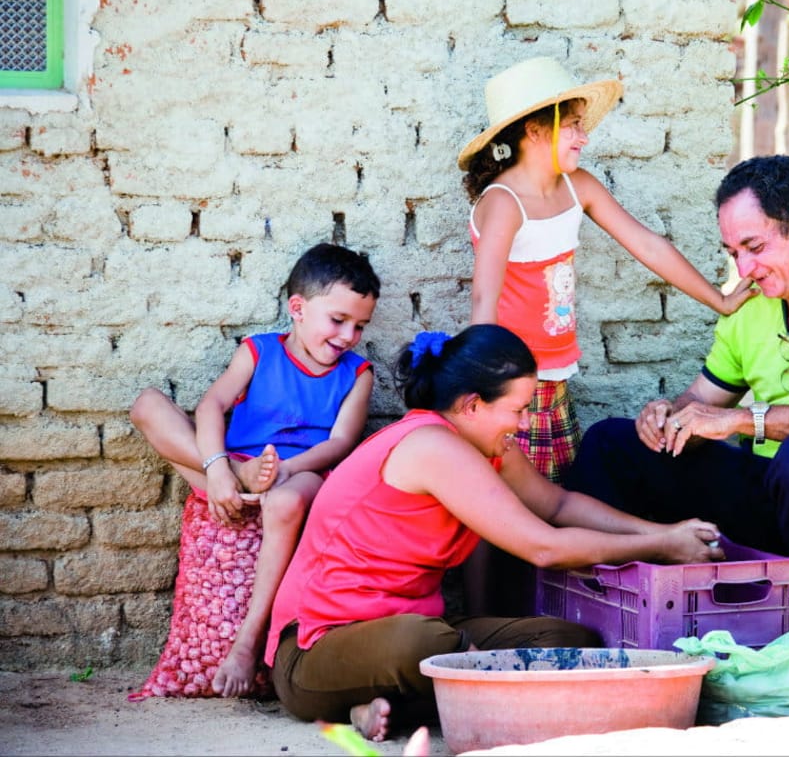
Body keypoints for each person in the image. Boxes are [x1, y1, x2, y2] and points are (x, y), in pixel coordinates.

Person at [265, 324, 724, 743]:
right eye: (518, 409)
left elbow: (558, 505)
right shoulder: (431, 445)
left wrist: (668, 530)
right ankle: (386, 703)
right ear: (472, 405)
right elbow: (543, 547)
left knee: (569, 644)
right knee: (423, 643)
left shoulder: (490, 447)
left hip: (425, 637)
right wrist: (662, 546)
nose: (524, 424)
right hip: (314, 654)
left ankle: (385, 710)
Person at [562, 154, 789, 623]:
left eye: (754, 247)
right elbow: (703, 400)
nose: (745, 267)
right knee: (612, 443)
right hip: (777, 493)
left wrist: (738, 420)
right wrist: (669, 418)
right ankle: (619, 617)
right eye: (733, 252)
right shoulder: (753, 304)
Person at [459, 55, 756, 483]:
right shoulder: (505, 203)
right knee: (518, 501)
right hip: (513, 384)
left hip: (555, 380)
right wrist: (488, 391)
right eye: (574, 125)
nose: (584, 136)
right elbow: (484, 298)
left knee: (560, 491)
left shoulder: (577, 187)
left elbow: (646, 243)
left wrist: (721, 300)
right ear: (536, 130)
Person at [129, 242, 380, 697]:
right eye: (338, 320)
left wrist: (284, 470)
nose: (348, 336)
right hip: (230, 465)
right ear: (298, 308)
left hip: (302, 470)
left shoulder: (357, 374)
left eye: (360, 326)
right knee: (148, 404)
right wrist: (221, 468)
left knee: (283, 501)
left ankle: (246, 643)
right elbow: (212, 405)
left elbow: (341, 443)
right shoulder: (259, 351)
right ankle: (232, 480)